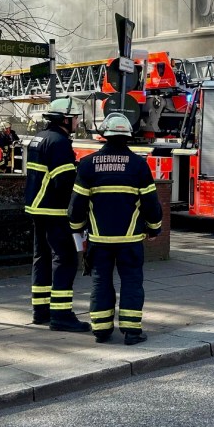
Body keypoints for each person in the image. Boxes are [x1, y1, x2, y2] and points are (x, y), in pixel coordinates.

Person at [69, 112, 163, 345]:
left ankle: (101, 330)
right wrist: (154, 228)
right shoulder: (139, 166)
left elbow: (77, 206)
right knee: (131, 281)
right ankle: (132, 332)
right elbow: (151, 203)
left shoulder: (88, 165)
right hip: (130, 240)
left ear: (104, 135)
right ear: (128, 137)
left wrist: (77, 230)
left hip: (99, 240)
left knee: (101, 281)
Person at [23, 98, 91, 332]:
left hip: (36, 208)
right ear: (65, 119)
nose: (77, 122)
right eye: (75, 118)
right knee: (65, 259)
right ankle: (61, 315)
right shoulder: (60, 142)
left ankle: (40, 311)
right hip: (54, 209)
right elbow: (64, 181)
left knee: (41, 257)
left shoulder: (39, 137)